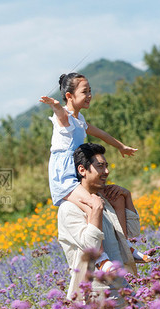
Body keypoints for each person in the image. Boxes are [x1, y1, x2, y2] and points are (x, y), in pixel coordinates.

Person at [40, 72, 138, 238]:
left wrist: (121, 147)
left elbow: (102, 134)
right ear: (69, 96)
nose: (90, 95)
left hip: (79, 173)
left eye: (90, 91)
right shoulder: (64, 119)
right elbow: (60, 114)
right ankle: (99, 258)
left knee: (117, 199)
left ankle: (126, 244)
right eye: (85, 92)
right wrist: (55, 105)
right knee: (94, 206)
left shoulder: (80, 120)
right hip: (64, 177)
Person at [57, 143, 149, 309]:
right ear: (82, 170)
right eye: (100, 166)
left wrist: (125, 198)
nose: (106, 171)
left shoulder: (103, 199)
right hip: (97, 292)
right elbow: (91, 247)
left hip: (120, 284)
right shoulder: (69, 209)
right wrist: (96, 210)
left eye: (106, 166)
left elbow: (132, 233)